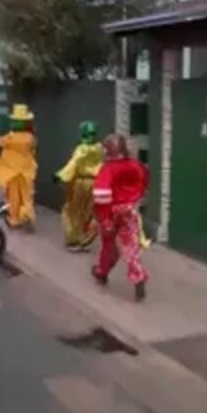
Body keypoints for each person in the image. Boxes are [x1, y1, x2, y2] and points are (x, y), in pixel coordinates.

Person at [91, 134, 150, 301]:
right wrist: (134, 200)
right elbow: (145, 181)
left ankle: (102, 273)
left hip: (111, 211)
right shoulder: (135, 165)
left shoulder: (108, 168)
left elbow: (101, 194)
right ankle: (138, 277)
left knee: (109, 245)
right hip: (129, 210)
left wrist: (104, 218)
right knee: (131, 246)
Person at [0, 104, 38, 230]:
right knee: (27, 196)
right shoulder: (31, 138)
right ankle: (27, 215)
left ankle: (15, 220)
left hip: (12, 172)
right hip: (27, 171)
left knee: (13, 197)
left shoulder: (10, 138)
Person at [54, 120, 103, 251]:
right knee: (88, 212)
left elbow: (73, 164)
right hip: (96, 183)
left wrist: (59, 175)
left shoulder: (81, 149)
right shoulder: (99, 148)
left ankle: (74, 239)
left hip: (81, 183)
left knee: (70, 211)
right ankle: (86, 236)